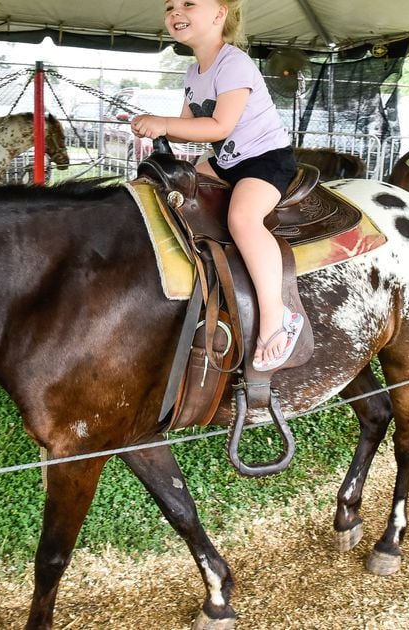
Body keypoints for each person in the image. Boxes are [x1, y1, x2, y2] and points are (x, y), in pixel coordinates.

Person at [132, 0, 303, 371]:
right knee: (173, 197)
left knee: (243, 220)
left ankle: (278, 317)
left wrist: (161, 123)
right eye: (170, 6)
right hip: (226, 160)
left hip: (264, 160)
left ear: (219, 13)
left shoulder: (234, 63)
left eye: (189, 3)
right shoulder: (193, 72)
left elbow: (219, 126)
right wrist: (156, 128)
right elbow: (187, 127)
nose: (176, 11)